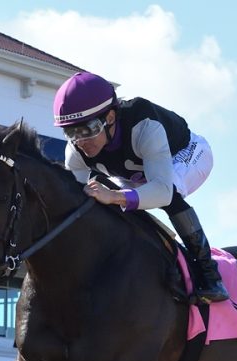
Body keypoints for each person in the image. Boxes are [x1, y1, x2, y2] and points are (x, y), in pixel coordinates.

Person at [53, 72, 228, 303]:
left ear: (111, 117)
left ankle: (210, 275)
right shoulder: (75, 151)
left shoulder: (144, 125)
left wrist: (115, 196)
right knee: (100, 198)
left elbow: (162, 192)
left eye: (87, 130)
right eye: (71, 132)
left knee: (168, 195)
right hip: (138, 172)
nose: (80, 141)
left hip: (188, 154)